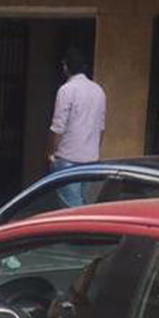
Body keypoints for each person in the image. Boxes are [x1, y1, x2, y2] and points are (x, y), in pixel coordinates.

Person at [46, 47, 106, 206]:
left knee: (71, 206)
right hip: (91, 158)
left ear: (66, 67)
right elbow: (101, 128)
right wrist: (94, 150)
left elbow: (58, 127)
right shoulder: (98, 90)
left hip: (68, 157)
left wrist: (51, 153)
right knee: (83, 203)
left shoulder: (66, 90)